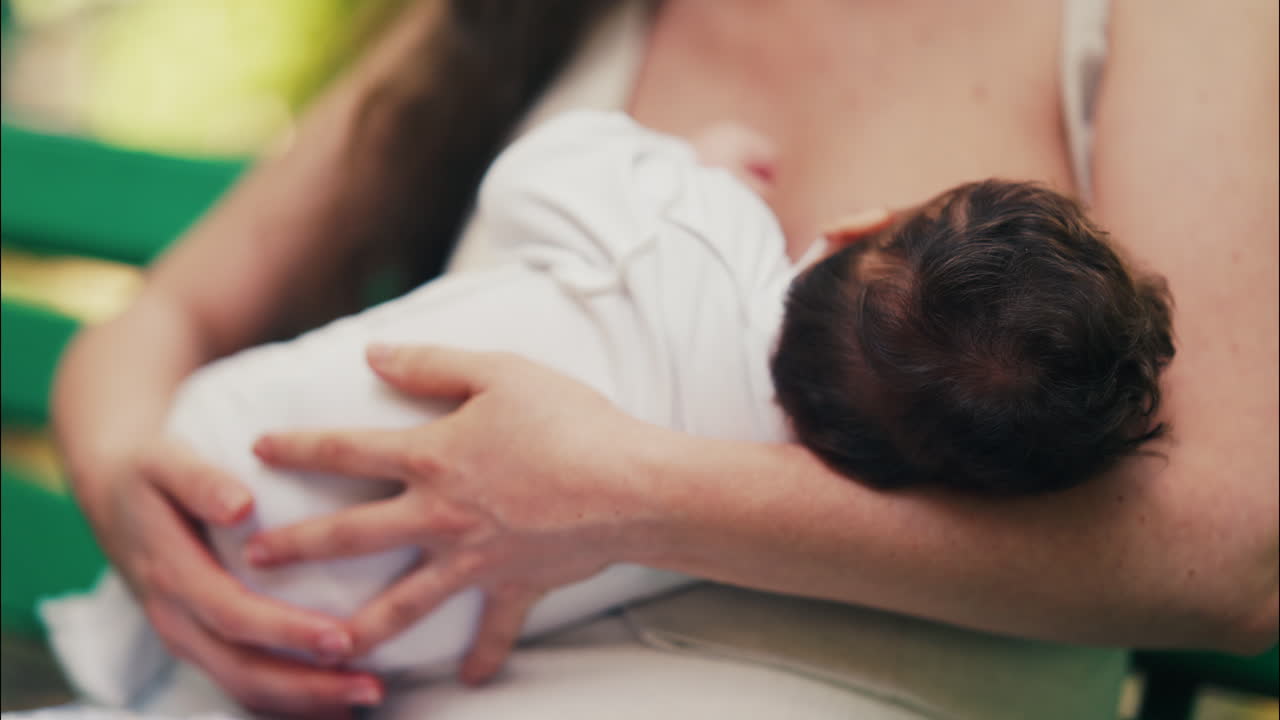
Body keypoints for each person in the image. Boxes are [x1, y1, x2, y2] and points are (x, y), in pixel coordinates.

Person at [51, 1, 1277, 718]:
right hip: (371, 671)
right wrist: (132, 495)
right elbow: (164, 322)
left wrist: (626, 499)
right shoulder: (533, 13)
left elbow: (1231, 553)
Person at [153, 106, 1175, 681]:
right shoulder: (770, 511)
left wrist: (691, 165)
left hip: (229, 455)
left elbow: (532, 173)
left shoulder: (692, 231)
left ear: (857, 229)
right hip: (347, 651)